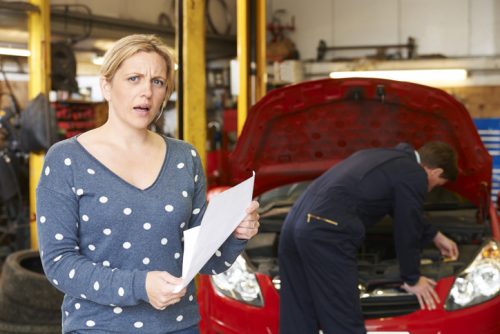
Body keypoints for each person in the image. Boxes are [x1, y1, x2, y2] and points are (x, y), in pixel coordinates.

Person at [36, 34, 260, 334]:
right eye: (134, 78)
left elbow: (202, 259)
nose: (147, 92)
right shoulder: (66, 160)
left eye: (158, 81)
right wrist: (140, 285)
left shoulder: (185, 157)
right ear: (106, 86)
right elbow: (58, 263)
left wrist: (235, 234)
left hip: (178, 325)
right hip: (98, 327)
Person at [278, 141, 459, 334]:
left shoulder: (386, 158)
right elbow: (407, 227)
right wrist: (412, 278)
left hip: (293, 225)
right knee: (342, 317)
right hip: (326, 231)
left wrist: (435, 235)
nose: (430, 189)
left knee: (297, 313)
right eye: (437, 185)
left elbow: (403, 210)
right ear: (436, 172)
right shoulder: (415, 174)